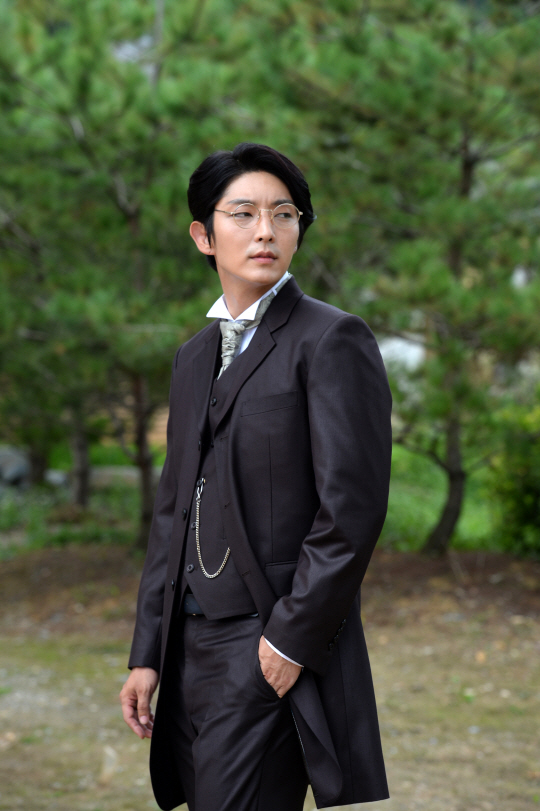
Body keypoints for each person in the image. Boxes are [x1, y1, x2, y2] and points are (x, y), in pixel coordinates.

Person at [120, 142, 392, 811]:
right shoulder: (192, 358)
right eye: (243, 213)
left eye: (284, 214)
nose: (266, 230)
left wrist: (289, 640)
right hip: (186, 645)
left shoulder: (331, 340)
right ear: (203, 236)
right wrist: (147, 651)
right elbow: (172, 512)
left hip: (264, 641)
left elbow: (350, 511)